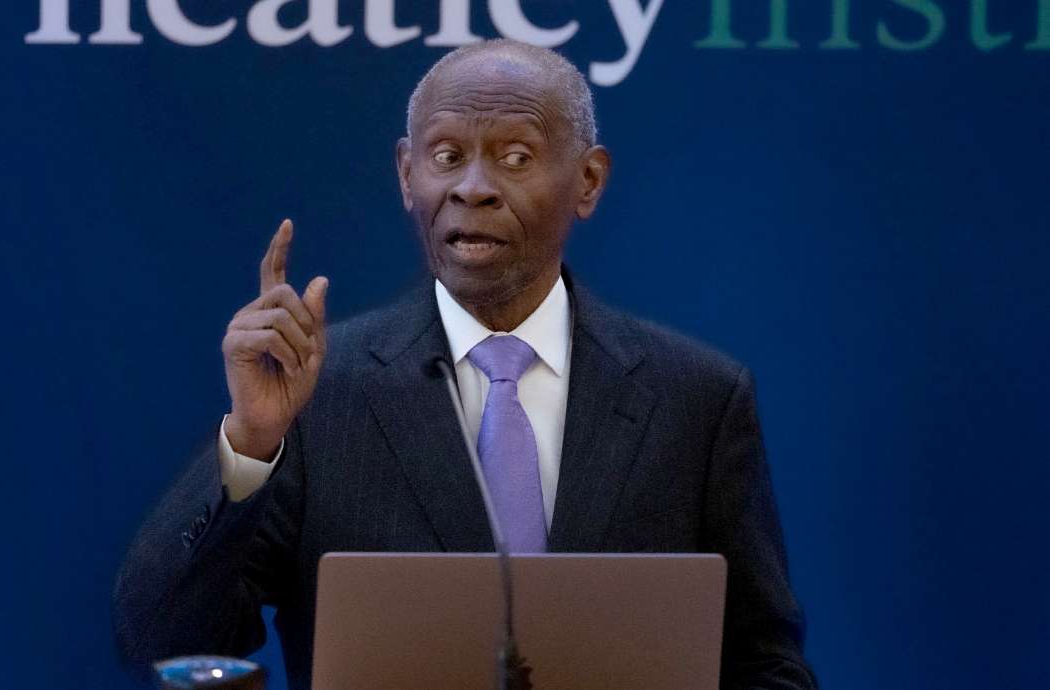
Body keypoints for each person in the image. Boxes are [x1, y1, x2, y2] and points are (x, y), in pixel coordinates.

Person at [114, 40, 816, 690]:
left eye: (516, 157)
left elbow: (765, 667)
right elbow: (162, 639)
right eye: (446, 156)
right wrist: (251, 442)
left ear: (589, 181)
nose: (473, 187)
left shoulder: (696, 398)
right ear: (406, 175)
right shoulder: (320, 392)